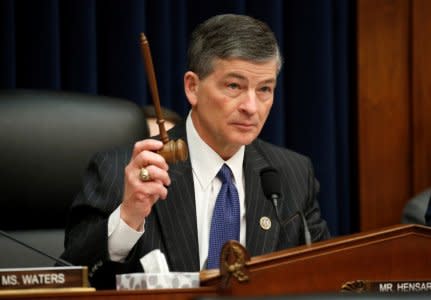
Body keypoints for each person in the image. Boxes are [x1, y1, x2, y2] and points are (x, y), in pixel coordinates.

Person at [61, 14, 330, 289]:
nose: (252, 107)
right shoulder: (121, 171)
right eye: (234, 86)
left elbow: (325, 279)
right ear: (193, 87)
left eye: (264, 89)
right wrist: (129, 216)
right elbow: (67, 280)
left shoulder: (292, 175)